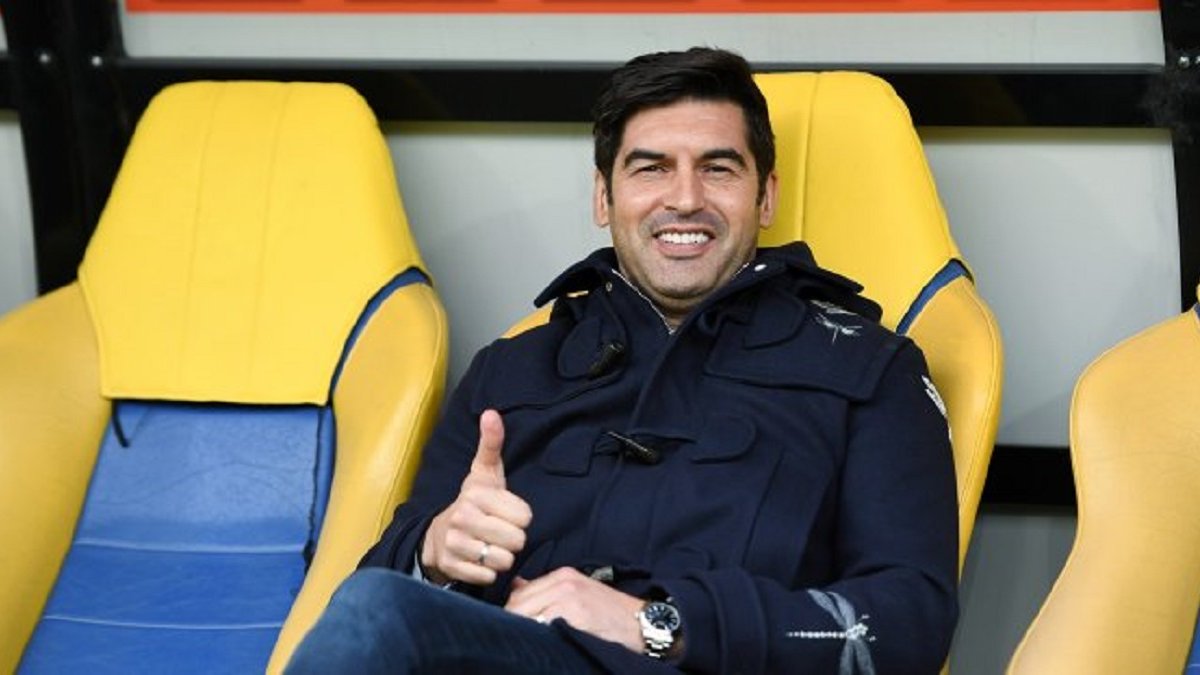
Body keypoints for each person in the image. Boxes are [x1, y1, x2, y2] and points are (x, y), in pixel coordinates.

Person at [286, 46, 958, 675]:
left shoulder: (871, 370)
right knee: (376, 604)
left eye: (718, 168)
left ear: (766, 197)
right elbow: (370, 604)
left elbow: (911, 622)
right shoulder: (511, 372)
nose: (685, 198)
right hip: (512, 657)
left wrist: (658, 623)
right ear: (604, 197)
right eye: (651, 168)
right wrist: (433, 553)